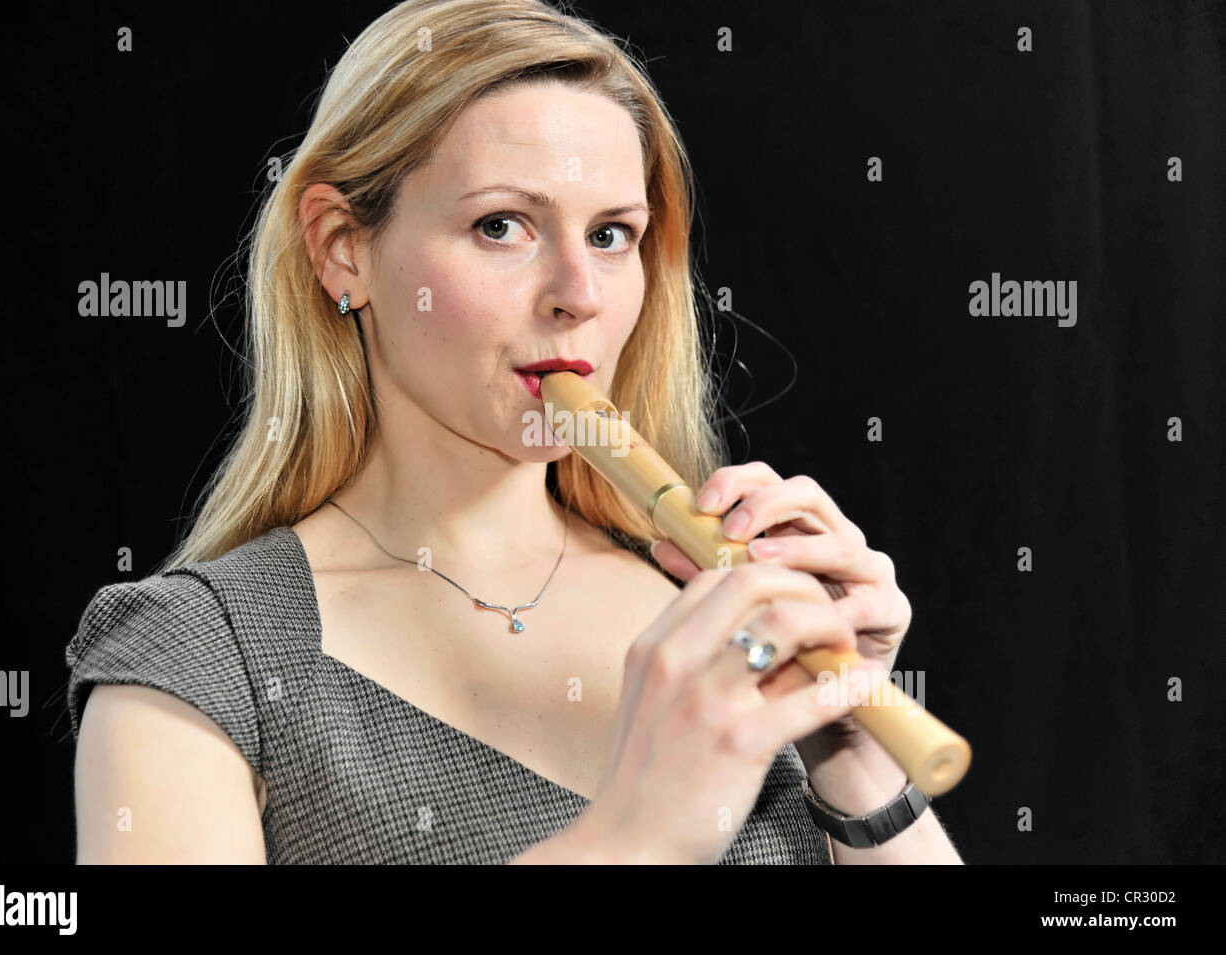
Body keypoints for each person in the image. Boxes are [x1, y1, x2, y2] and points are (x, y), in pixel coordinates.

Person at [66, 0, 962, 864]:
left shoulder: (723, 607)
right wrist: (636, 841)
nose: (580, 291)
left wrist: (852, 751)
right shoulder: (200, 655)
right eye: (503, 226)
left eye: (613, 234)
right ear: (343, 246)